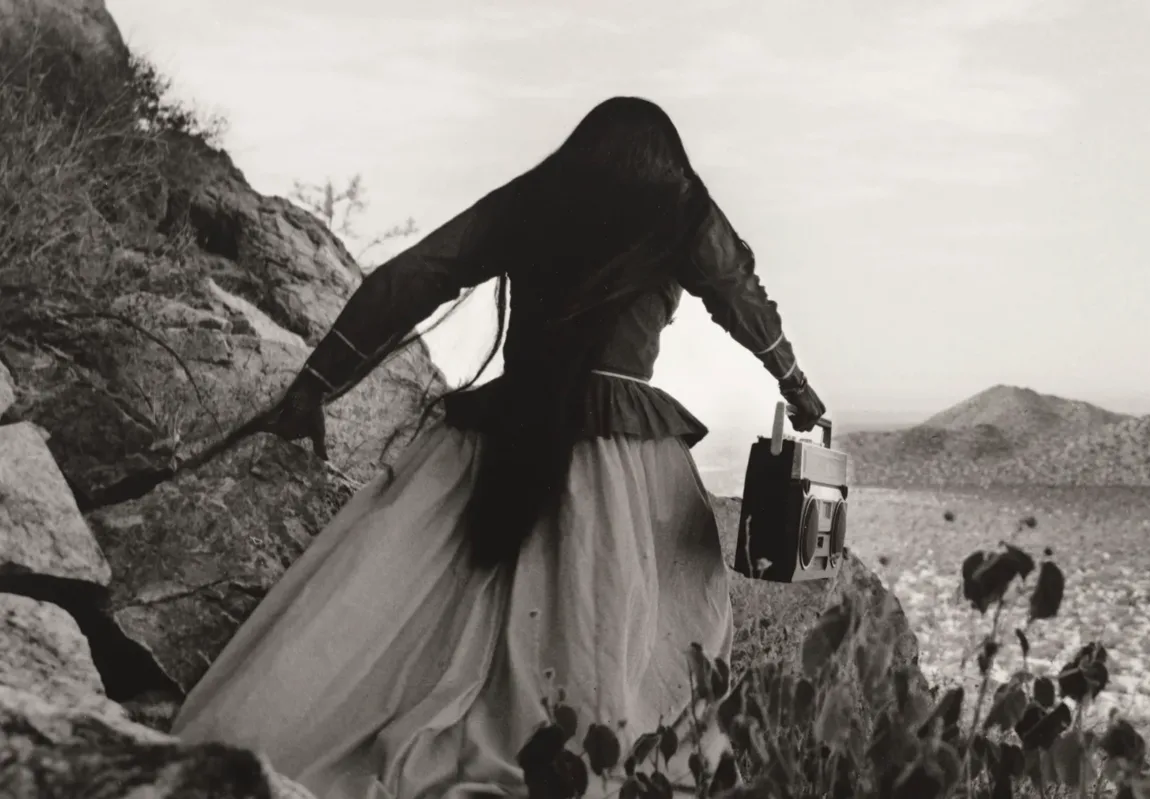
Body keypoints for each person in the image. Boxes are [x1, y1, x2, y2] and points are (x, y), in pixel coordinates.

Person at [170, 97, 826, 799]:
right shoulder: (681, 209)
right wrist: (798, 387)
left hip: (498, 435)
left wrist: (316, 384)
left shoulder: (539, 197)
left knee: (399, 608)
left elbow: (415, 275)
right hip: (620, 458)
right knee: (631, 630)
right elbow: (740, 296)